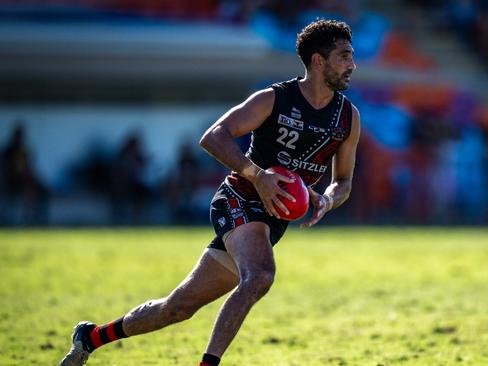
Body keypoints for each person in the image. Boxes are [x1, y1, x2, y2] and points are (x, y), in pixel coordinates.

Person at [59, 19, 360, 366]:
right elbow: (213, 136)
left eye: (351, 57)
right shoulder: (273, 99)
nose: (352, 65)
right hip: (240, 198)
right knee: (260, 275)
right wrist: (258, 176)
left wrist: (327, 199)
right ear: (318, 61)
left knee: (178, 308)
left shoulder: (347, 118)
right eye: (344, 56)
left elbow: (345, 181)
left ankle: (91, 337)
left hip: (270, 220)